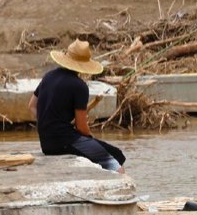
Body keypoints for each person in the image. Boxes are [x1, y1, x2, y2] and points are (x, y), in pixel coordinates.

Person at [29, 40, 125, 173]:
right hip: (64, 142)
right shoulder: (79, 86)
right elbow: (81, 127)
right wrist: (90, 138)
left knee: (103, 150)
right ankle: (122, 183)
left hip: (46, 143)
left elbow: (32, 106)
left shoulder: (48, 76)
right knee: (115, 156)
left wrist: (48, 124)